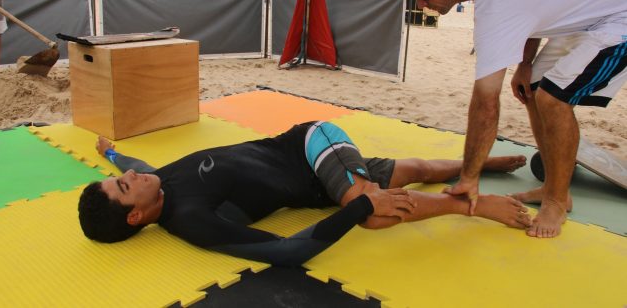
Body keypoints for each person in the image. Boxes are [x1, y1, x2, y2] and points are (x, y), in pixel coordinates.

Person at [398, 0, 627, 238]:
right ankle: (554, 187)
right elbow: (536, 6)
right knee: (533, 87)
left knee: (552, 98)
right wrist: (526, 63)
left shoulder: (494, 0)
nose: (422, 4)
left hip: (619, 17)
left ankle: (557, 201)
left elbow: (486, 104)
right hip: (589, 18)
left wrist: (469, 178)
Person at [78, 121, 530, 266]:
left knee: (366, 210)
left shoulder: (152, 180)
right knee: (413, 172)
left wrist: (111, 153)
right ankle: (482, 168)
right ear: (136, 216)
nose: (135, 178)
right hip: (318, 184)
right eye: (124, 186)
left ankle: (472, 203)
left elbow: (136, 166)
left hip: (312, 140)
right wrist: (362, 205)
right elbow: (290, 252)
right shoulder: (190, 219)